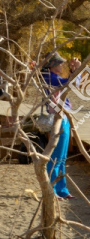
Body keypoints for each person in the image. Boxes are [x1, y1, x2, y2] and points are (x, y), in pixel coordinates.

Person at [42, 52, 74, 199]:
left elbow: (69, 82)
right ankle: (52, 189)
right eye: (60, 63)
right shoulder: (49, 76)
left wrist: (74, 72)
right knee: (56, 156)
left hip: (64, 116)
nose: (62, 65)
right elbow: (70, 84)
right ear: (53, 65)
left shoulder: (54, 77)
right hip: (57, 117)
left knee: (62, 156)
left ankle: (62, 189)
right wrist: (77, 70)